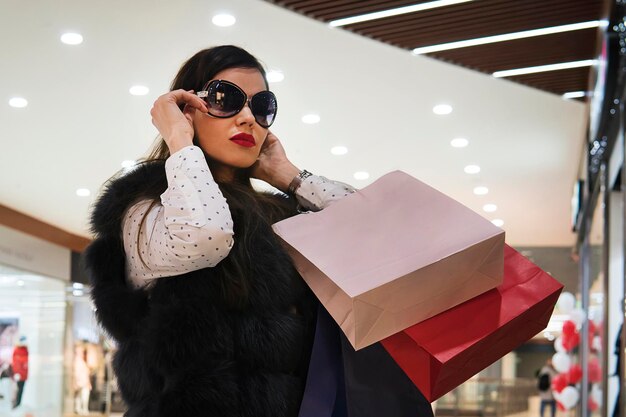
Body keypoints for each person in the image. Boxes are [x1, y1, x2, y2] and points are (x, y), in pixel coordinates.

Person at [84, 45, 362, 417]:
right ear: (185, 108)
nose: (248, 118)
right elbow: (206, 236)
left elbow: (365, 230)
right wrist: (179, 140)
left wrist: (290, 176)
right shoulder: (148, 207)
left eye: (261, 106)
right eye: (224, 98)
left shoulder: (275, 213)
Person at [73, 347, 92, 416]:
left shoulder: (81, 361)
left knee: (80, 397)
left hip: (83, 383)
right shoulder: (79, 361)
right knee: (83, 397)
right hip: (82, 383)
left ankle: (81, 409)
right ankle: (82, 409)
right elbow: (77, 374)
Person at [11, 336, 28, 409]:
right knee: (17, 389)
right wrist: (17, 373)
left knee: (20, 389)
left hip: (23, 374)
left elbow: (25, 363)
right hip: (19, 374)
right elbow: (16, 363)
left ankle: (18, 404)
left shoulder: (25, 350)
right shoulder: (18, 350)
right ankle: (16, 404)